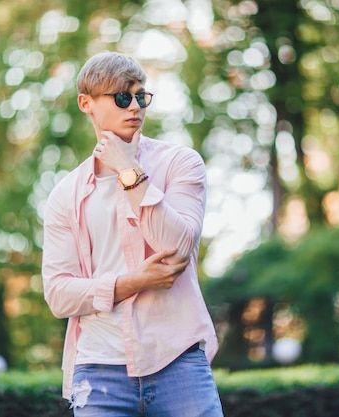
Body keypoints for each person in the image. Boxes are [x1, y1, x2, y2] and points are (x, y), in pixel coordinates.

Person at [41, 51, 223, 416]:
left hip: (177, 359)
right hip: (99, 372)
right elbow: (59, 294)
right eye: (123, 97)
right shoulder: (66, 194)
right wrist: (134, 281)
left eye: (141, 96)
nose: (135, 107)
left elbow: (177, 247)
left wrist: (128, 169)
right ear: (86, 103)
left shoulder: (180, 164)